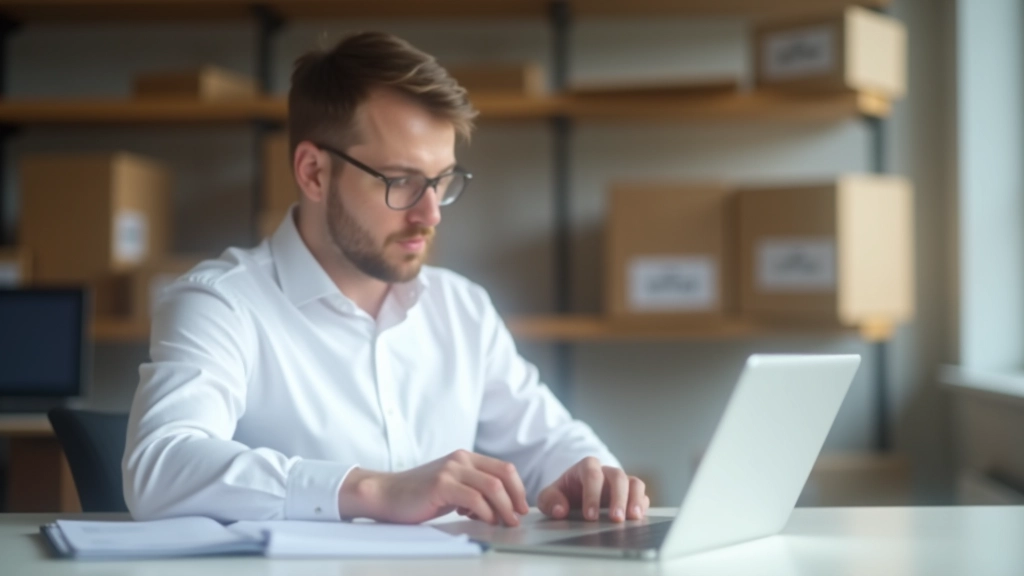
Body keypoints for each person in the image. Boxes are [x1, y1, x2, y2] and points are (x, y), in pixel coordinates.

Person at [122, 31, 649, 527]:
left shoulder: (460, 307)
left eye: (442, 182)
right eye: (400, 182)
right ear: (313, 172)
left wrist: (593, 477)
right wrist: (374, 490)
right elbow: (159, 466)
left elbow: (550, 440)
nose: (430, 214)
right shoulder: (221, 303)